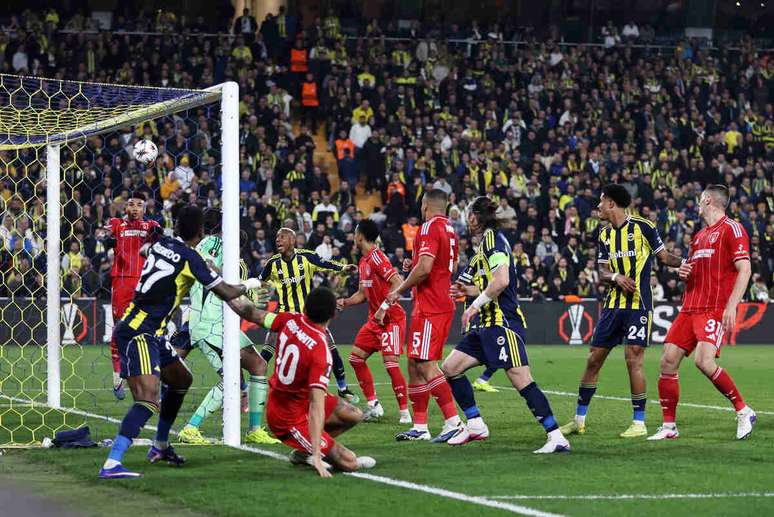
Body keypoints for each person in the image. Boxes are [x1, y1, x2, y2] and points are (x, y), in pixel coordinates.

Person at [99, 204, 267, 479]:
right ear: (201, 231)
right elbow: (226, 291)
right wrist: (253, 284)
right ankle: (112, 463)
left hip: (151, 330)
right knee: (149, 399)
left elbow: (144, 250)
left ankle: (161, 446)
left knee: (181, 379)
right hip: (140, 331)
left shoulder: (161, 243)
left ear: (177, 227)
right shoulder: (191, 259)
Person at [443, 197, 570, 453]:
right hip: (486, 326)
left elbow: (501, 281)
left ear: (477, 217)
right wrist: (469, 291)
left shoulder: (493, 240)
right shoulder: (485, 245)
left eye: (470, 215)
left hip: (503, 323)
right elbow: (492, 283)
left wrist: (473, 305)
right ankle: (476, 424)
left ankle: (556, 436)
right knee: (450, 368)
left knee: (521, 379)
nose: (467, 220)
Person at [560, 184, 684, 439]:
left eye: (601, 202)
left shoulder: (644, 227)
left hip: (638, 305)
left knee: (633, 360)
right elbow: (602, 271)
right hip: (613, 306)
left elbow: (664, 258)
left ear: (612, 204)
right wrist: (616, 277)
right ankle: (578, 420)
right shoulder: (604, 234)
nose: (597, 207)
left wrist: (688, 263)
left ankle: (639, 422)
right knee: (594, 359)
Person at [649, 185, 756, 441]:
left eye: (700, 200)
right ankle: (669, 427)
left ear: (707, 200)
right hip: (689, 307)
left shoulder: (733, 229)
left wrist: (732, 306)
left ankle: (743, 411)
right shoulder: (698, 237)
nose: (697, 205)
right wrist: (685, 272)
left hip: (713, 308)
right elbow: (694, 270)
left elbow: (745, 269)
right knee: (667, 361)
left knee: (703, 361)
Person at [230, 287, 375, 477]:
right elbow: (316, 405)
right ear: (333, 315)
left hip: (299, 400)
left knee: (354, 414)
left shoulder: (289, 319)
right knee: (349, 461)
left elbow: (251, 313)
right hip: (286, 417)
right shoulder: (321, 350)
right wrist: (317, 455)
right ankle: (311, 453)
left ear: (305, 307)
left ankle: (302, 453)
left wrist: (220, 286)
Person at [176, 208, 278, 446]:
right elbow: (208, 266)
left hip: (225, 324)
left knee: (259, 365)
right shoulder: (212, 242)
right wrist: (240, 284)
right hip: (207, 324)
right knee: (231, 377)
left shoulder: (232, 254)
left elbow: (231, 291)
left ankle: (255, 429)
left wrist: (254, 297)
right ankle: (190, 428)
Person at [386, 190, 464, 443]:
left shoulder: (429, 227)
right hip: (435, 302)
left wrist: (399, 289)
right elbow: (448, 265)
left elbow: (426, 268)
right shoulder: (450, 229)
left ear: (426, 205)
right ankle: (420, 427)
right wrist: (416, 265)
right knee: (414, 363)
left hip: (431, 305)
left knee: (426, 364)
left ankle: (454, 423)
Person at [258, 227, 359, 402]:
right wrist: (259, 289)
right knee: (266, 353)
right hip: (283, 314)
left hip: (308, 316)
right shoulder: (272, 263)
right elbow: (260, 281)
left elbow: (326, 264)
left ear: (292, 240)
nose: (278, 240)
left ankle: (343, 388)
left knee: (332, 350)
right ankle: (248, 389)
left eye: (282, 237)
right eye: (276, 237)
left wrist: (343, 268)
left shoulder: (306, 257)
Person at [337, 220, 411, 423]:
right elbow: (362, 294)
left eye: (354, 233)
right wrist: (345, 301)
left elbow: (399, 283)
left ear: (360, 236)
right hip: (374, 321)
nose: (353, 237)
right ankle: (374, 405)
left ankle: (405, 413)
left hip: (392, 319)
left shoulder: (377, 257)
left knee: (390, 364)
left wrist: (384, 308)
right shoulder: (363, 262)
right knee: (356, 359)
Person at [100, 192, 161, 400]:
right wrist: (108, 240)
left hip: (145, 282)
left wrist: (155, 236)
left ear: (144, 208)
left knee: (149, 330)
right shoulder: (117, 224)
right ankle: (117, 375)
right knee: (120, 329)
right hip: (123, 281)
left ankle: (152, 377)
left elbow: (160, 239)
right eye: (131, 204)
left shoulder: (151, 225)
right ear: (126, 207)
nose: (135, 208)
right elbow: (104, 236)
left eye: (139, 205)